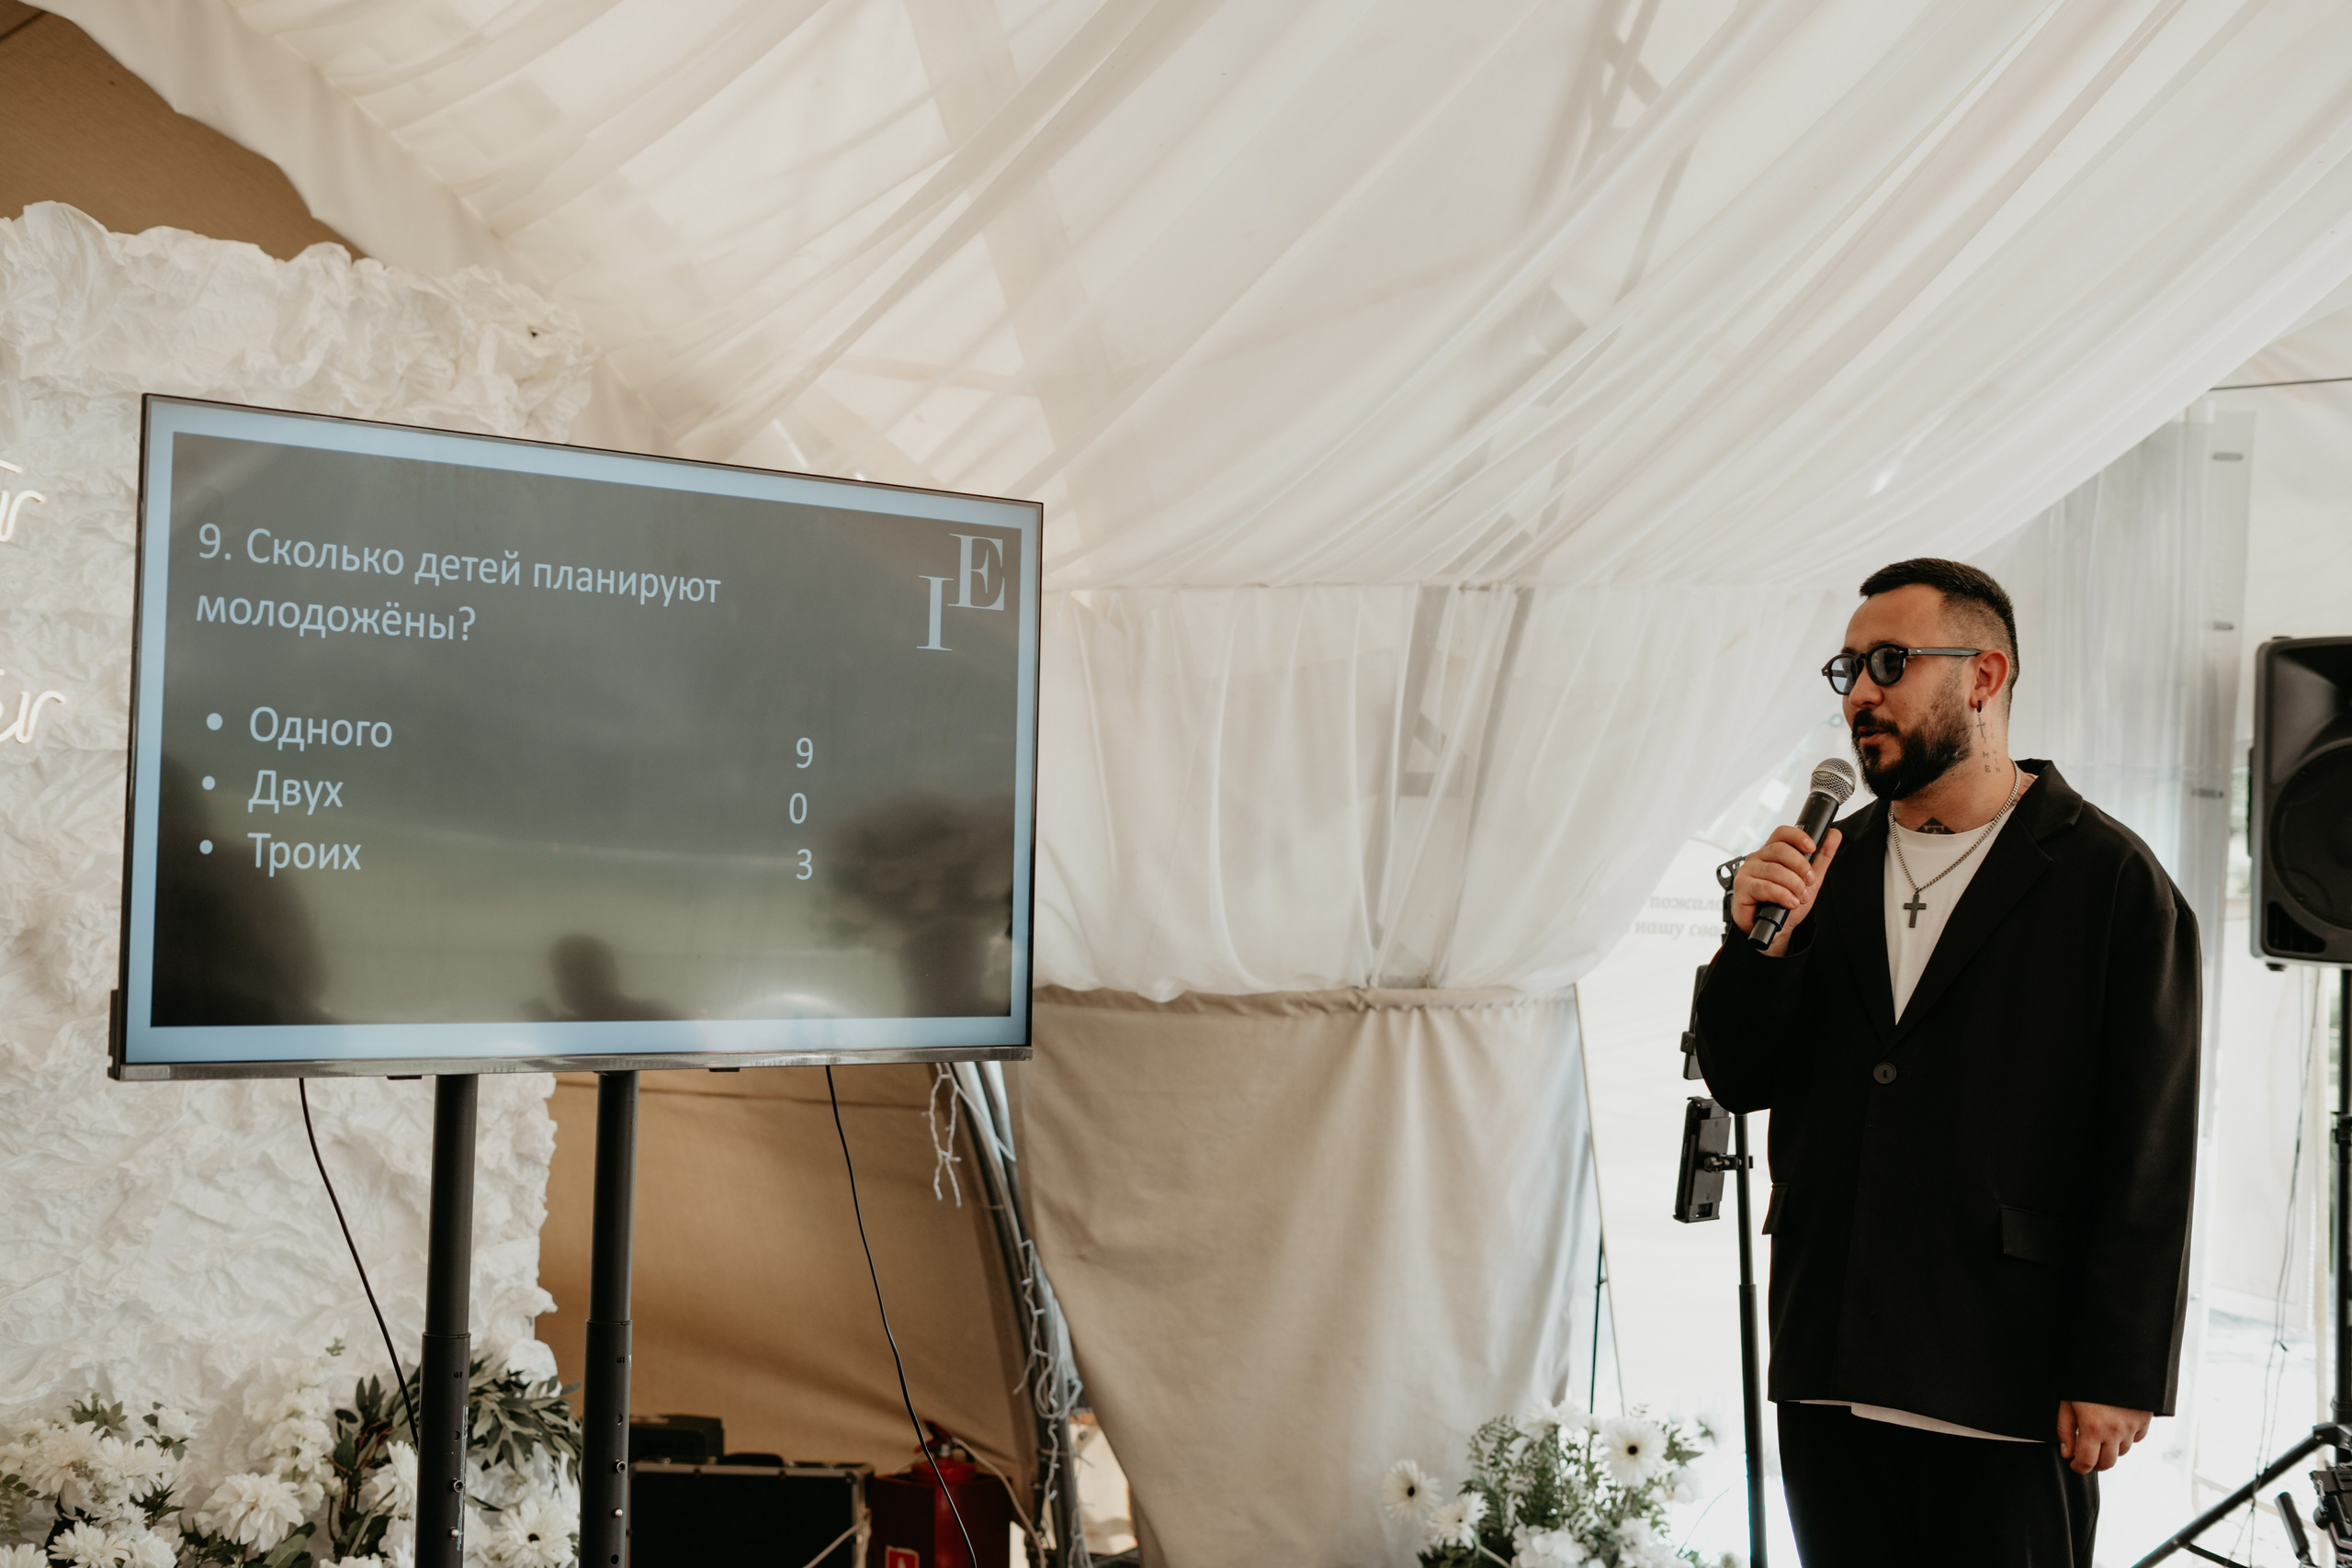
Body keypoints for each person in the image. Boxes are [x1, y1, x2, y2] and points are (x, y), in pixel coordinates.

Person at [1694, 558, 2199, 1567]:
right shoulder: (1823, 867)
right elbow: (1740, 1079)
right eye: (1848, 670)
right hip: (1830, 1357)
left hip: (2004, 1372)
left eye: (1890, 662)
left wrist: (2118, 1367)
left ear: (1983, 676)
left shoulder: (2110, 880)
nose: (1861, 694)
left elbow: (2148, 1143)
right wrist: (1756, 948)